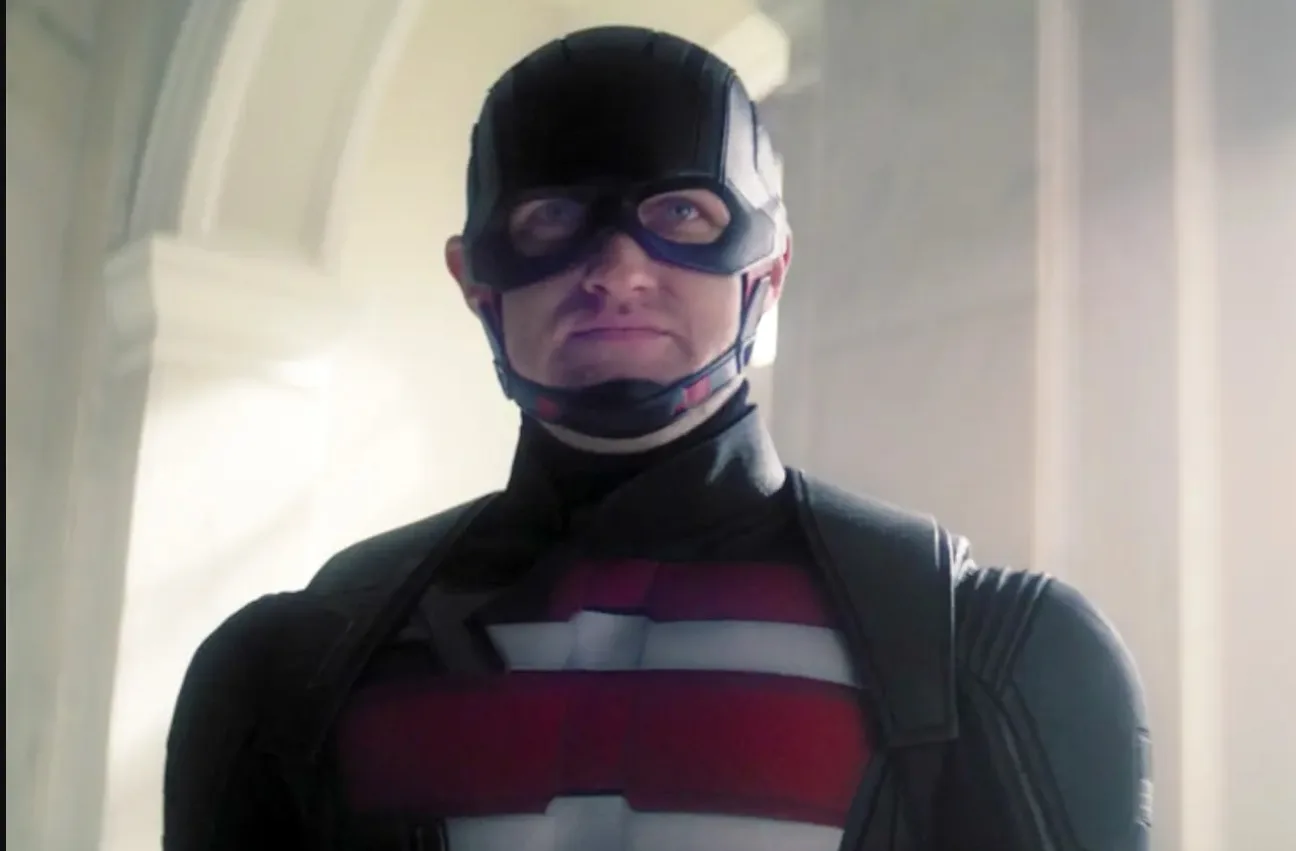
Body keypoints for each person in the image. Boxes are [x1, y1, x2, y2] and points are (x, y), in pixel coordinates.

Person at [164, 25, 1151, 851]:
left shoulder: (987, 655)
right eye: (551, 218)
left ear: (769, 269)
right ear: (473, 278)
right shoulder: (295, 666)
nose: (618, 270)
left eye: (681, 211)